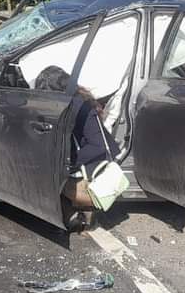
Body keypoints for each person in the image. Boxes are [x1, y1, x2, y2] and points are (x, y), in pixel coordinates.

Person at [34, 65, 120, 230]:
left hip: (95, 163)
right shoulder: (69, 104)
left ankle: (82, 208)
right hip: (82, 156)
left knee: (53, 172)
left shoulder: (83, 108)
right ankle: (74, 210)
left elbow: (99, 146)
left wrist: (67, 162)